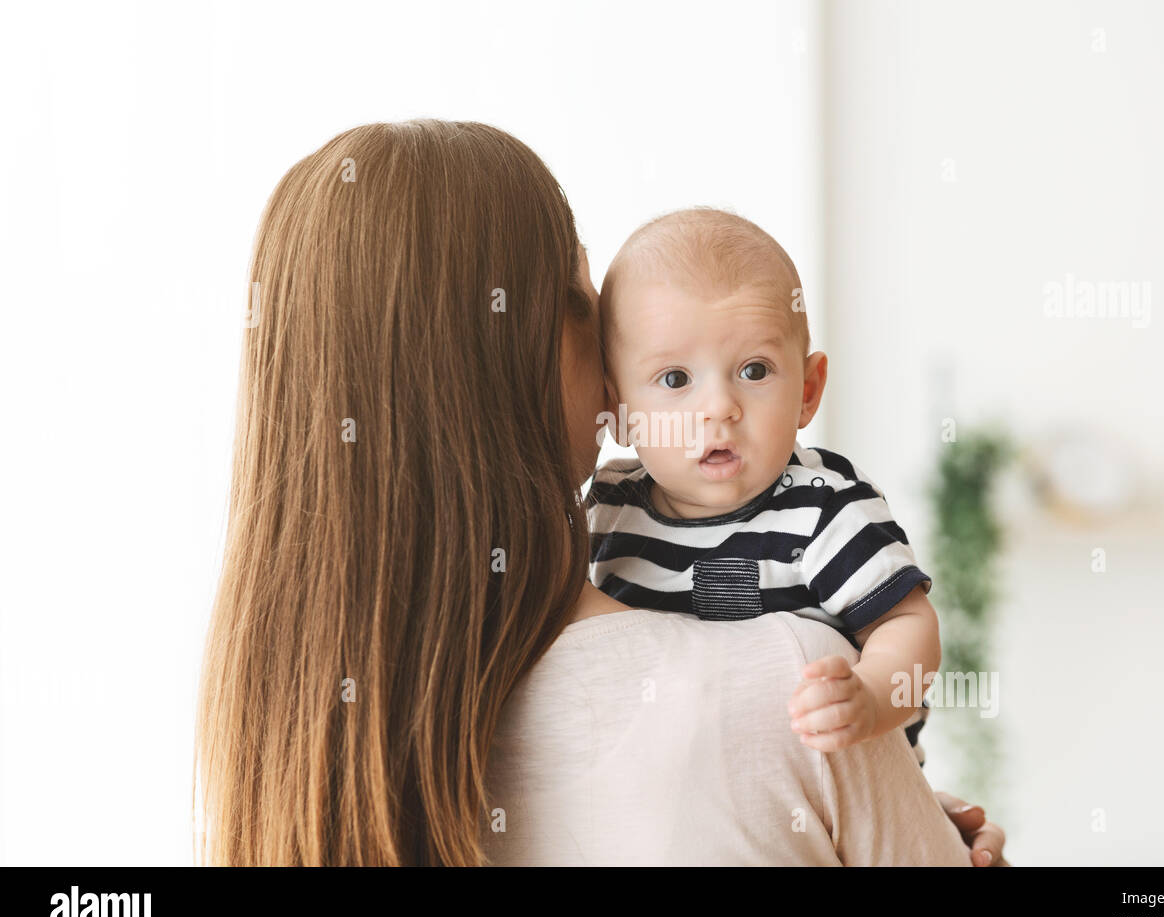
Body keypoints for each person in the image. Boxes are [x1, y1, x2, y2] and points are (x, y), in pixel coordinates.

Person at [195, 119, 1008, 867]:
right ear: (510, 359)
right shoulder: (793, 687)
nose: (711, 407)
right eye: (581, 301)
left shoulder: (290, 748)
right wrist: (879, 812)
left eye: (752, 369)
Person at [588, 207, 935, 765]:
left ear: (808, 389)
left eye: (754, 371)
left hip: (835, 783)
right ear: (618, 409)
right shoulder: (607, 511)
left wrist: (871, 694)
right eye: (675, 379)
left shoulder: (824, 504)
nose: (720, 407)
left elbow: (907, 623)